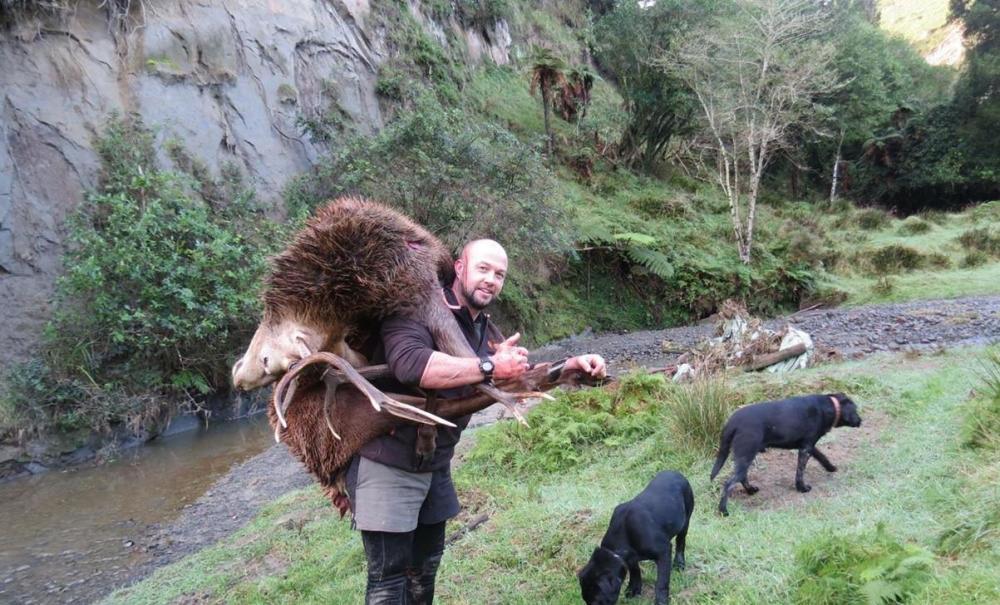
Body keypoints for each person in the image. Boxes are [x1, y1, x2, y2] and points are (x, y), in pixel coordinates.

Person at [344, 238, 606, 604]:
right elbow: (411, 364)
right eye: (483, 269)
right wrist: (488, 366)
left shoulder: (483, 328)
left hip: (435, 462)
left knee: (425, 569)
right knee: (388, 581)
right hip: (388, 458)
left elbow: (511, 379)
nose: (491, 280)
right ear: (460, 267)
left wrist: (570, 366)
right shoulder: (413, 305)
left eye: (499, 274)